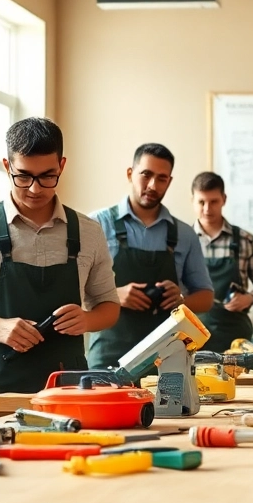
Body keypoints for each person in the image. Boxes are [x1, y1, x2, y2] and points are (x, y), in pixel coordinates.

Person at [0, 118, 118, 424]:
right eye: (23, 176)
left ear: (62, 165)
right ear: (7, 165)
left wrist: (87, 319)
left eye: (47, 177)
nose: (34, 188)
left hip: (64, 385)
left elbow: (109, 307)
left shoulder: (88, 232)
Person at [89, 144, 214, 369]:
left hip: (167, 361)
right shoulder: (96, 224)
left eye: (162, 178)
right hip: (109, 357)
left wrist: (181, 300)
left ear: (170, 181)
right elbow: (72, 290)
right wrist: (114, 295)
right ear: (130, 173)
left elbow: (206, 297)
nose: (152, 185)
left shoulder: (185, 235)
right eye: (146, 175)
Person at [190, 171, 253, 353]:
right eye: (201, 202)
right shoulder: (182, 242)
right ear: (192, 201)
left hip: (236, 339)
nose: (207, 209)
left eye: (213, 201)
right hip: (191, 338)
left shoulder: (246, 240)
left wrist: (249, 298)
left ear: (224, 199)